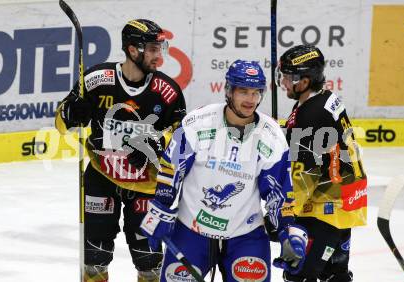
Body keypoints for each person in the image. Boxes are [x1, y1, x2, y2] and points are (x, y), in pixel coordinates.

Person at [140, 60, 308, 281]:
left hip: (245, 235)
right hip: (191, 231)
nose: (250, 99)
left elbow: (279, 192)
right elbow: (172, 168)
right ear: (229, 91)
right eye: (243, 91)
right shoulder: (198, 122)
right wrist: (160, 208)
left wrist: (288, 231)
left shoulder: (272, 136)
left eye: (256, 92)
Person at [55, 19, 186, 282]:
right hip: (101, 178)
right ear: (132, 49)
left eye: (160, 48)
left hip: (145, 184)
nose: (159, 56)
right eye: (152, 49)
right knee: (94, 257)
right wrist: (71, 113)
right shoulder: (95, 80)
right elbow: (60, 124)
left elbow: (183, 136)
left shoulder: (168, 91)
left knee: (149, 262)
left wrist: (157, 143)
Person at [274, 44, 367, 281]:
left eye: (286, 77)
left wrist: (284, 212)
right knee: (334, 274)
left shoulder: (309, 115)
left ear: (304, 81)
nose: (283, 82)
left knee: (300, 273)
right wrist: (287, 132)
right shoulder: (326, 99)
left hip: (327, 208)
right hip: (346, 196)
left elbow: (304, 176)